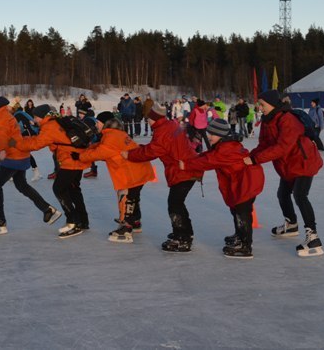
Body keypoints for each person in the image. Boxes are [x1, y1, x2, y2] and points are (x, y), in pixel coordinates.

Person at [245, 90, 324, 257]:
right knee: (282, 194)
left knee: (300, 196)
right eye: (259, 104)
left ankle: (313, 238)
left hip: (303, 162)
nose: (260, 108)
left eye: (262, 104)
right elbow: (264, 144)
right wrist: (250, 156)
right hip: (288, 166)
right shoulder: (267, 121)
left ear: (272, 104)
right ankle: (291, 224)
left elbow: (282, 147)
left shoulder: (287, 119)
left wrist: (255, 160)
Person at [123, 103, 204, 253]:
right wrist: (141, 148)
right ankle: (185, 233)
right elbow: (156, 146)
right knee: (177, 203)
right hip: (187, 167)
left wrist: (130, 155)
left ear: (154, 119)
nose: (147, 121)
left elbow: (153, 151)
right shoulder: (168, 125)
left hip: (183, 170)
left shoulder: (162, 131)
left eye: (148, 118)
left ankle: (182, 238)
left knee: (175, 204)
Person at [179, 119, 265, 258]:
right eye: (209, 133)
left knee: (242, 213)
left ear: (221, 135)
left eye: (212, 134)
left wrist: (187, 165)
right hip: (241, 181)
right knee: (236, 210)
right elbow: (208, 156)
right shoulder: (223, 145)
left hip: (247, 183)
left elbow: (209, 161)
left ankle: (245, 245)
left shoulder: (226, 149)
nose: (209, 137)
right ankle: (239, 236)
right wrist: (192, 159)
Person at [0, 92, 61, 235]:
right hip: (19, 154)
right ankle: (47, 210)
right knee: (21, 185)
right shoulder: (0, 114)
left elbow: (3, 135)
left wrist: (3, 149)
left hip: (13, 156)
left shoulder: (1, 116)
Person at [14, 104, 92, 239]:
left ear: (43, 116)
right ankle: (83, 221)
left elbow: (37, 144)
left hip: (70, 160)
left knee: (59, 189)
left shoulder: (50, 126)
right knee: (73, 189)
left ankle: (73, 221)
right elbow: (39, 139)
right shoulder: (56, 121)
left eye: (36, 117)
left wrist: (16, 144)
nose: (35, 120)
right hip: (77, 157)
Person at [77, 111, 154, 244]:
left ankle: (126, 227)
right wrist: (90, 148)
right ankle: (135, 222)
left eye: (98, 122)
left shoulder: (111, 136)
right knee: (133, 197)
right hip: (139, 169)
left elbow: (101, 152)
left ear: (105, 123)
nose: (96, 125)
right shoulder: (116, 134)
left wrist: (80, 156)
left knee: (126, 197)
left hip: (131, 172)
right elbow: (102, 147)